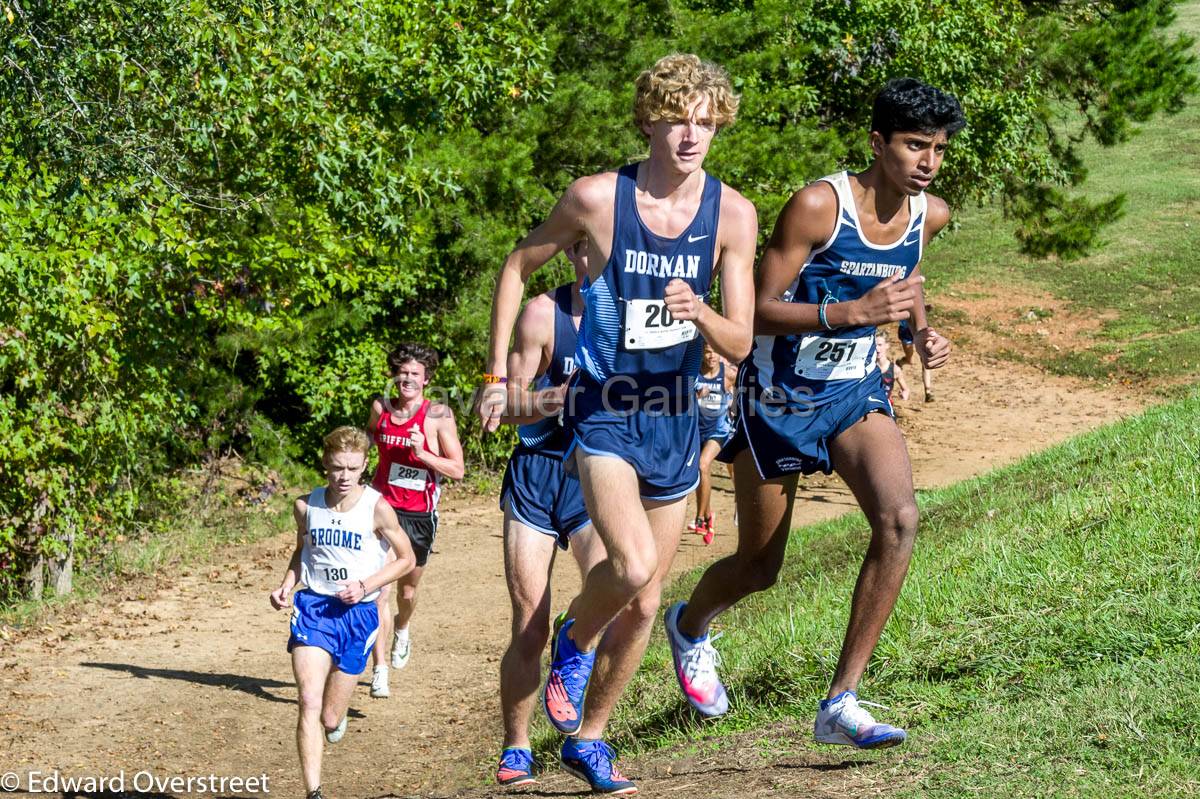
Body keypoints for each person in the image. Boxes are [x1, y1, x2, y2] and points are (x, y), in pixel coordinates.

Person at [477, 53, 756, 794]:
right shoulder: (599, 199)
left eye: (705, 121)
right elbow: (515, 266)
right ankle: (571, 639)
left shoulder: (732, 215)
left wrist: (701, 312)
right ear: (647, 120)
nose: (691, 135)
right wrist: (494, 375)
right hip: (605, 412)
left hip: (671, 415)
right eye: (676, 119)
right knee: (629, 566)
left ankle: (590, 738)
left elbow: (741, 339)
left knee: (644, 605)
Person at [664, 77, 963, 749]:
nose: (928, 163)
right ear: (877, 142)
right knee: (759, 568)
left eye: (939, 150)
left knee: (899, 517)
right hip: (776, 397)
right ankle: (689, 625)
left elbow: (908, 281)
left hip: (855, 393)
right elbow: (754, 310)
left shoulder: (929, 214)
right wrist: (849, 313)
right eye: (916, 146)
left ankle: (841, 699)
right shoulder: (817, 207)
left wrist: (920, 336)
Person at [494, 240, 609, 787]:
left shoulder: (638, 310)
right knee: (529, 621)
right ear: (573, 255)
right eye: (589, 251)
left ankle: (576, 636)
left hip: (596, 473)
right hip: (539, 472)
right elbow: (505, 405)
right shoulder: (545, 313)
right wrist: (552, 400)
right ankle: (517, 747)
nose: (602, 260)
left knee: (611, 589)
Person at [269, 426, 417, 799]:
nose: (344, 476)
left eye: (352, 468)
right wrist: (288, 583)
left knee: (330, 717)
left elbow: (406, 559)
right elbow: (303, 553)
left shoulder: (377, 508)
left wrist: (366, 586)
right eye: (337, 468)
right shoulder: (306, 506)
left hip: (358, 615)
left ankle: (339, 714)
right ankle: (314, 792)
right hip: (314, 608)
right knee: (308, 700)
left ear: (365, 464)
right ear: (325, 464)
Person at [366, 343, 465, 698]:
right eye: (402, 372)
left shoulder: (438, 415)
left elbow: (458, 470)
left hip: (419, 514)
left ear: (426, 379)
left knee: (406, 592)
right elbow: (366, 444)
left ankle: (403, 628)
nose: (407, 379)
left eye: (414, 374)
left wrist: (423, 453)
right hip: (380, 508)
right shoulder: (379, 407)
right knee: (380, 591)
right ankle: (379, 670)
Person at [687, 342, 735, 544]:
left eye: (715, 352)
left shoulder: (729, 375)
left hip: (720, 430)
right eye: (707, 352)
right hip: (697, 430)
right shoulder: (693, 375)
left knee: (703, 465)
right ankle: (708, 517)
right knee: (699, 473)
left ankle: (700, 519)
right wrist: (694, 395)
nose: (711, 356)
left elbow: (749, 390)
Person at [897, 317, 934, 401]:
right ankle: (900, 363)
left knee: (925, 361)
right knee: (910, 360)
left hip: (920, 329)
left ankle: (928, 392)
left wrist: (926, 308)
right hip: (906, 330)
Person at [875, 330, 910, 404]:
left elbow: (906, 389)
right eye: (874, 345)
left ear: (887, 345)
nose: (877, 349)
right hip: (869, 406)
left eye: (880, 345)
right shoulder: (868, 367)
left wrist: (904, 395)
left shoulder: (895, 369)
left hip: (886, 407)